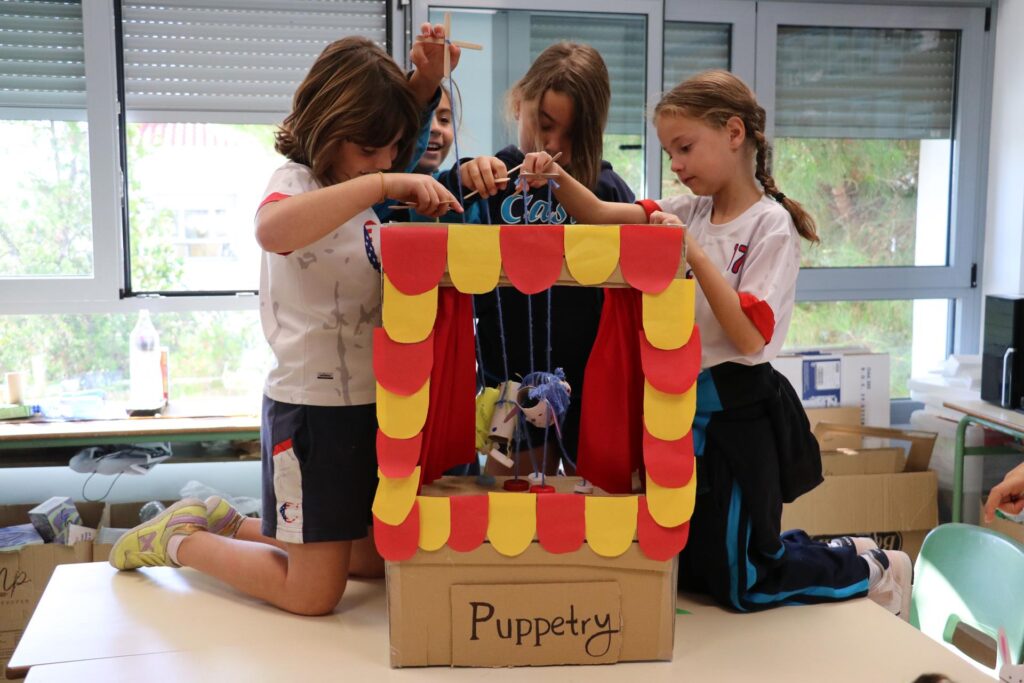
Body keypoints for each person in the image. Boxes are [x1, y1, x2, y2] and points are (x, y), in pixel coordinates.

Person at [520, 69, 913, 619]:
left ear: (734, 133)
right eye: (668, 151)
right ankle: (835, 548)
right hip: (684, 411)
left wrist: (693, 254)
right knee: (699, 568)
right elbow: (603, 216)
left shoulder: (769, 226)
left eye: (684, 148)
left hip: (739, 414)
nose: (676, 165)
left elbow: (749, 332)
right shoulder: (692, 212)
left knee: (743, 585)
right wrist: (555, 176)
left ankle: (870, 568)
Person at [108, 26, 463, 616]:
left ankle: (232, 522)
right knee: (314, 594)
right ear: (329, 129)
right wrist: (380, 180)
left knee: (376, 562)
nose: (382, 164)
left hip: (372, 408)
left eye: (389, 151)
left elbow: (393, 147)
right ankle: (180, 539)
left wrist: (425, 81)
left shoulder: (363, 193)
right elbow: (272, 230)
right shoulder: (298, 183)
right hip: (311, 413)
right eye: (369, 151)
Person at [439, 42, 635, 477]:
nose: (554, 146)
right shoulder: (492, 178)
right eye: (544, 125)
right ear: (517, 103)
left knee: (593, 515)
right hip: (505, 384)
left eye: (571, 134)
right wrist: (463, 174)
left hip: (588, 390)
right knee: (508, 510)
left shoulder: (605, 192)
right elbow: (436, 207)